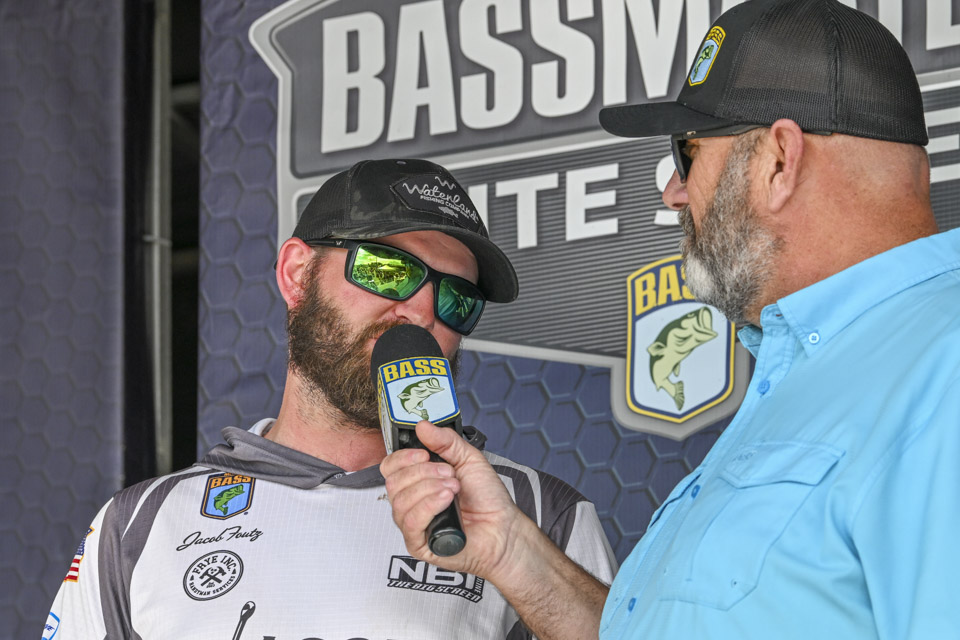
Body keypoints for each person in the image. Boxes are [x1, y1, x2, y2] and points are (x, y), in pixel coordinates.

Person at [380, 1, 960, 638]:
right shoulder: (807, 367)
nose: (672, 193)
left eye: (687, 154)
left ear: (779, 161)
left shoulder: (945, 365)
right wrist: (510, 549)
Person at [44, 158, 616, 639]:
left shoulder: (539, 515)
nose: (421, 312)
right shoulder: (139, 523)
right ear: (297, 274)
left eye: (456, 299)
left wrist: (517, 558)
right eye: (388, 270)